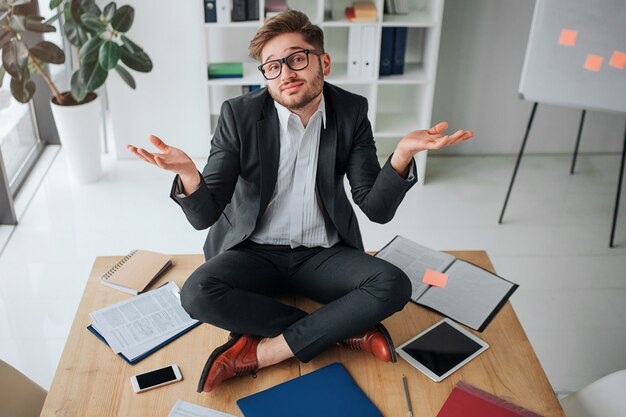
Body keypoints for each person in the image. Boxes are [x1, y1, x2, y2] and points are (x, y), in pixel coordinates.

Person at [128, 10, 473, 393]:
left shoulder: (351, 110)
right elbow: (205, 215)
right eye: (272, 67)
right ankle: (344, 332)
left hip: (321, 255)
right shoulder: (239, 115)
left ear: (323, 61)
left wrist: (402, 155)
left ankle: (264, 351)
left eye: (296, 58)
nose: (286, 73)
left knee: (392, 284)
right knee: (195, 294)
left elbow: (375, 208)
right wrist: (190, 175)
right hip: (252, 251)